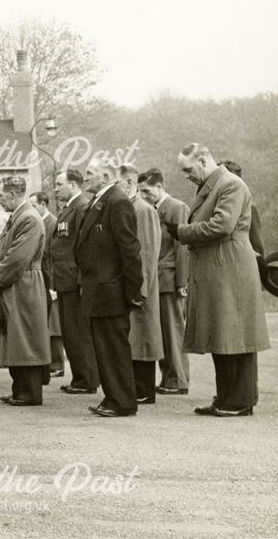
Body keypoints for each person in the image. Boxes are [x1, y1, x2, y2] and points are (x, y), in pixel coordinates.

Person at [171, 144, 271, 416]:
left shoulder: (230, 184)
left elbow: (221, 225)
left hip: (231, 267)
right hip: (221, 266)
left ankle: (239, 401)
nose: (186, 175)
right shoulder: (215, 184)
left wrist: (182, 231)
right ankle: (226, 397)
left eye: (188, 169)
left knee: (236, 336)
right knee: (223, 335)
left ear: (203, 160)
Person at [74, 159, 143, 417]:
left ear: (105, 176)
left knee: (114, 348)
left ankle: (123, 401)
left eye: (90, 174)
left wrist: (133, 290)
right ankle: (113, 396)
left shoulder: (117, 202)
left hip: (111, 289)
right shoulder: (100, 201)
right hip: (98, 289)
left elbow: (130, 250)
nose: (86, 178)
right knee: (104, 348)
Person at [0, 176, 51, 406]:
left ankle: (30, 393)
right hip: (17, 284)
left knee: (26, 340)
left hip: (24, 284)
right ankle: (20, 389)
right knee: (17, 338)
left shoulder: (29, 219)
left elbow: (16, 258)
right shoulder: (21, 216)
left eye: (2, 195)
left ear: (13, 194)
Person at [138, 168, 191, 395]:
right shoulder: (151, 209)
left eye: (147, 191)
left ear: (160, 187)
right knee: (160, 332)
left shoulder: (177, 208)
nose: (144, 196)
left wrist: (182, 282)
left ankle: (177, 379)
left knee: (173, 331)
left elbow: (183, 247)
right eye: (140, 191)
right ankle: (168, 377)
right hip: (157, 279)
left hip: (170, 279)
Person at [51, 169, 98, 395]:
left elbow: (84, 246)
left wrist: (81, 280)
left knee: (78, 331)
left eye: (59, 184)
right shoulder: (70, 208)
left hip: (73, 280)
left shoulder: (81, 207)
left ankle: (87, 378)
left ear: (73, 184)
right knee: (70, 331)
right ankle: (80, 376)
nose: (56, 188)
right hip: (64, 279)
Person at [120, 164, 164, 405]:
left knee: (143, 337)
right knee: (134, 338)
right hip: (133, 283)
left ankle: (144, 389)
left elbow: (147, 252)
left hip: (141, 285)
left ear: (129, 183)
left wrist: (141, 288)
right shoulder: (129, 207)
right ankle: (137, 387)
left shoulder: (143, 210)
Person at [31, 191, 64, 380]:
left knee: (54, 325)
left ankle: (57, 363)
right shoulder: (39, 221)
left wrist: (53, 285)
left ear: (43, 205)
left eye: (34, 205)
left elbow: (53, 256)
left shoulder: (52, 223)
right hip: (41, 277)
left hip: (49, 279)